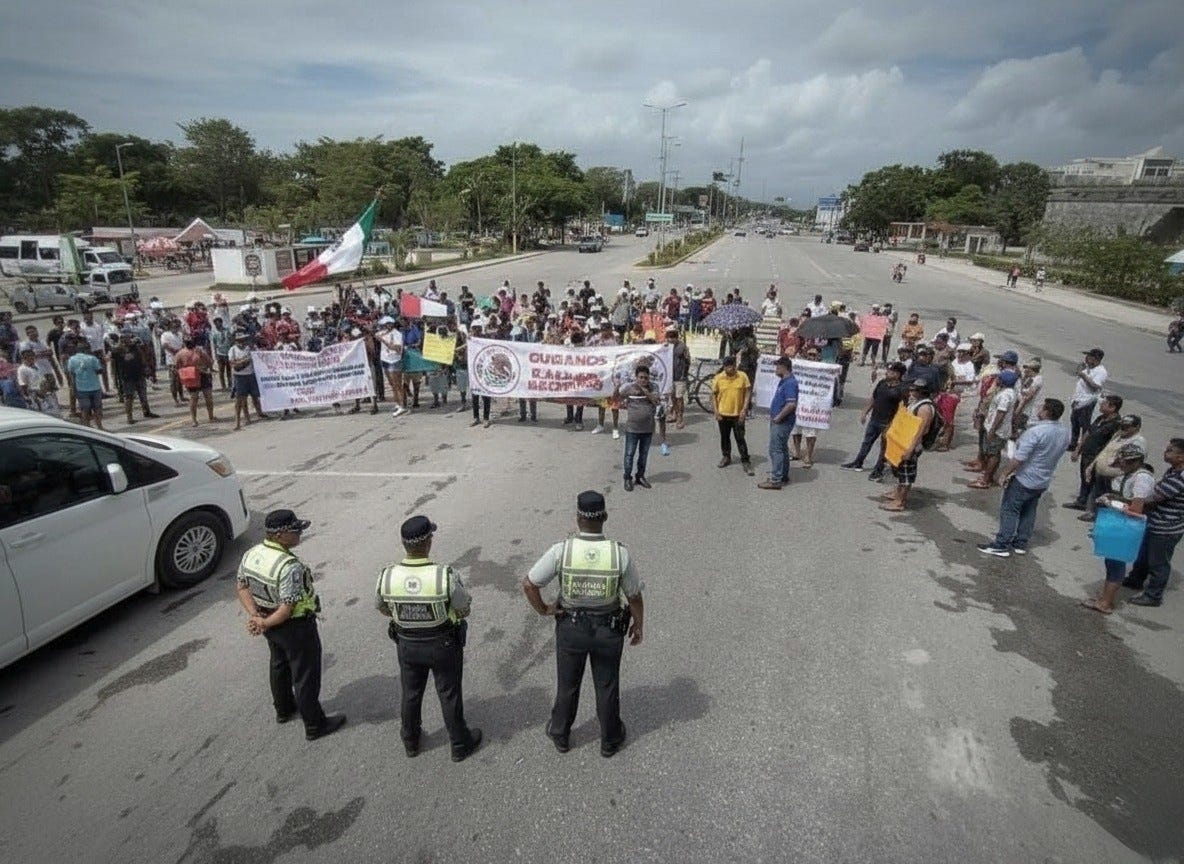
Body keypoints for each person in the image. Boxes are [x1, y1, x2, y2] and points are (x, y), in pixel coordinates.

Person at [522, 491, 644, 757]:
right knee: (606, 685)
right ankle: (610, 739)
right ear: (605, 517)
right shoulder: (619, 554)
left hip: (571, 628)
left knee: (568, 684)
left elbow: (530, 584)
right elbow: (634, 596)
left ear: (578, 518)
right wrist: (638, 625)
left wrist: (545, 609)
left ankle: (560, 734)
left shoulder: (562, 551)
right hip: (608, 629)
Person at [375, 515, 483, 761]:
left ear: (404, 544)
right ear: (428, 542)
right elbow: (464, 608)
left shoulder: (387, 576)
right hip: (443, 643)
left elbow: (381, 607)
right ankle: (459, 744)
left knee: (411, 693)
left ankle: (410, 741)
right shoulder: (443, 576)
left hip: (406, 644)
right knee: (449, 693)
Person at [235, 509, 346, 741]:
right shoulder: (289, 566)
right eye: (295, 531)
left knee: (279, 664)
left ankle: (284, 709)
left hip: (269, 622)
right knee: (305, 676)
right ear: (279, 535)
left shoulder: (252, 554)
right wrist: (263, 622)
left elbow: (242, 586)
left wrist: (257, 617)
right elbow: (286, 609)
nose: (299, 534)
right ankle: (315, 725)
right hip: (295, 627)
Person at [977, 399, 1072, 557]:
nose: (1038, 409)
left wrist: (1004, 473)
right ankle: (1021, 542)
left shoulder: (1036, 432)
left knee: (1010, 509)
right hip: (1043, 479)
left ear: (1046, 412)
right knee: (1029, 509)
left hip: (1025, 477)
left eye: (1041, 407)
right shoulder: (1064, 431)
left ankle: (1002, 544)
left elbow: (1019, 458)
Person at [1081, 442, 1157, 614]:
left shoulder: (1142, 479)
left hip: (1128, 526)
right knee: (1111, 561)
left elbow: (1136, 510)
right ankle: (1104, 598)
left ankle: (1106, 602)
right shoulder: (1131, 474)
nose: (1120, 466)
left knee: (1116, 563)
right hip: (1121, 524)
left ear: (1135, 461)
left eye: (1123, 462)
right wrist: (1112, 497)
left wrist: (1112, 503)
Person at [1121, 438, 1184, 607]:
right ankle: (1136, 579)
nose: (1165, 452)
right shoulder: (1173, 471)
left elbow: (1153, 497)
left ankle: (1153, 595)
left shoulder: (1180, 479)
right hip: (1156, 522)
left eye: (1170, 451)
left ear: (1181, 457)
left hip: (1166, 528)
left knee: (1158, 563)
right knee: (1144, 555)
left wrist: (1133, 501)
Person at [880, 380, 936, 512]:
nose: (910, 392)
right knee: (900, 471)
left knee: (906, 474)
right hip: (904, 442)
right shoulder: (915, 402)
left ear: (921, 392)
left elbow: (921, 431)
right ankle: (897, 494)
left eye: (913, 390)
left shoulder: (924, 408)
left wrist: (910, 449)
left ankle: (900, 502)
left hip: (911, 445)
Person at [842, 361, 905, 475]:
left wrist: (893, 424)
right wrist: (865, 412)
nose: (887, 372)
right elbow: (873, 398)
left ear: (897, 374)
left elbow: (902, 409)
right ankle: (858, 462)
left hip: (888, 423)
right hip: (875, 419)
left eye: (891, 371)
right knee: (866, 442)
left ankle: (878, 470)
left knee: (884, 447)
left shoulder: (901, 390)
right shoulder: (882, 383)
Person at [1064, 394, 1123, 511]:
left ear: (1112, 408)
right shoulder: (1101, 418)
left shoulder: (1116, 424)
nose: (1101, 405)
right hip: (1087, 454)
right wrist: (1078, 449)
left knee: (1094, 482)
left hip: (1098, 457)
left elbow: (1110, 444)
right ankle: (1082, 501)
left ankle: (1092, 508)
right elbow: (1088, 433)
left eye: (1104, 404)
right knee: (1084, 478)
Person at [969, 368, 1020, 490]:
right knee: (992, 453)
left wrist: (992, 430)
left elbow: (1000, 414)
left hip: (998, 430)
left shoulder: (1005, 395)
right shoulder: (1009, 392)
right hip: (997, 428)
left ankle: (986, 480)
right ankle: (988, 477)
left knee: (993, 454)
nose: (997, 380)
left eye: (999, 378)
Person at [616, 363, 660, 491]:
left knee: (643, 455)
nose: (643, 380)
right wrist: (617, 387)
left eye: (646, 378)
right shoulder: (629, 388)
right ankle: (627, 478)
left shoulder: (654, 387)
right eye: (641, 377)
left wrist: (644, 390)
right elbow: (617, 397)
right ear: (636, 377)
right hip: (632, 429)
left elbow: (656, 400)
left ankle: (640, 476)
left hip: (647, 428)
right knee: (629, 454)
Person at [758, 356, 798, 489]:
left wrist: (779, 417)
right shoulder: (784, 381)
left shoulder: (790, 383)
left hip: (782, 422)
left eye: (777, 367)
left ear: (784, 367)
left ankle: (776, 480)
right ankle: (783, 476)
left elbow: (791, 404)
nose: (775, 369)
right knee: (782, 448)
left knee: (775, 450)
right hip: (780, 421)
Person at [711, 356, 753, 475]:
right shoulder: (718, 378)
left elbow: (748, 391)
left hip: (738, 414)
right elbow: (713, 395)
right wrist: (716, 411)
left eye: (732, 367)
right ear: (724, 367)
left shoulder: (742, 376)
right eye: (728, 367)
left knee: (740, 438)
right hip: (723, 413)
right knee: (724, 437)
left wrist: (744, 409)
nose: (731, 369)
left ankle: (745, 460)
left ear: (735, 366)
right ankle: (726, 456)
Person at [1069, 348, 1108, 449]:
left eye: (1089, 356)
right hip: (1078, 399)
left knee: (1085, 424)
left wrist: (1083, 375)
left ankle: (1083, 445)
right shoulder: (1088, 367)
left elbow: (1095, 386)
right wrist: (1080, 370)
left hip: (1088, 401)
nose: (1086, 358)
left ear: (1095, 359)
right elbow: (1079, 375)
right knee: (1075, 422)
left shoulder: (1101, 371)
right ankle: (1073, 443)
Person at [173, 338, 217, 427]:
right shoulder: (184, 353)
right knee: (196, 398)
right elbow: (209, 361)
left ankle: (207, 417)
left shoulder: (194, 351)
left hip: (199, 374)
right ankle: (198, 419)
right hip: (193, 376)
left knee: (203, 397)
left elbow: (209, 361)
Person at [228, 331, 264, 430]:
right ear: (236, 341)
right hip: (239, 377)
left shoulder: (249, 348)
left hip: (250, 375)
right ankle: (238, 422)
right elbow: (233, 363)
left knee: (255, 396)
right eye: (240, 340)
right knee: (240, 400)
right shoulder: (233, 350)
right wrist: (245, 360)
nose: (242, 342)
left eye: (244, 340)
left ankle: (258, 414)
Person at [67, 347, 105, 429]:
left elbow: (72, 375)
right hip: (95, 387)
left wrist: (73, 388)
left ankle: (87, 427)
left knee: (84, 409)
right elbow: (100, 371)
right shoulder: (92, 358)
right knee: (97, 408)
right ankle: (99, 426)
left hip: (81, 388)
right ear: (86, 350)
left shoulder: (71, 360)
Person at [378, 318, 407, 418]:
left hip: (394, 360)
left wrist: (384, 341)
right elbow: (374, 334)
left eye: (389, 324)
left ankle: (402, 405)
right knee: (392, 385)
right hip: (385, 360)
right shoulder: (383, 333)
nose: (387, 326)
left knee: (397, 384)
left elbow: (397, 349)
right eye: (385, 324)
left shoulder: (397, 334)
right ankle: (397, 403)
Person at [666, 326, 690, 429]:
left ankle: (680, 418)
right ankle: (674, 414)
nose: (671, 339)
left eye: (673, 337)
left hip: (680, 377)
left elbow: (688, 361)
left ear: (676, 337)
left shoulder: (682, 347)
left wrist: (684, 374)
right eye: (669, 337)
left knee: (679, 398)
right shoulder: (666, 346)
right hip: (670, 376)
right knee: (673, 397)